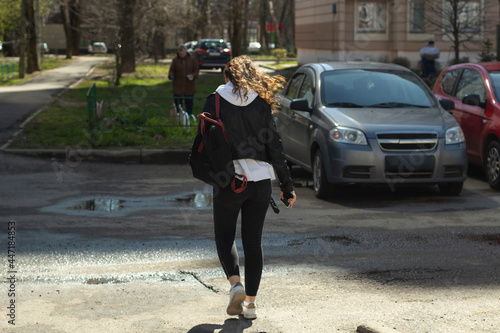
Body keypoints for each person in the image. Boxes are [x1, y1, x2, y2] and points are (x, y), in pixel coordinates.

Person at [200, 55, 297, 320]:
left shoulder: (215, 101)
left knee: (224, 236)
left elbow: (205, 141)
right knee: (253, 242)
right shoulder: (261, 102)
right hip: (260, 182)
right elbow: (275, 146)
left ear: (226, 76)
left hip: (228, 180)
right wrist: (287, 186)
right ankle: (251, 306)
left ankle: (235, 285)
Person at [168, 44, 199, 115]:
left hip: (189, 85)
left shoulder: (192, 60)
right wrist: (171, 75)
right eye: (180, 52)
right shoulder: (175, 60)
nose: (181, 53)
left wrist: (193, 75)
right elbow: (171, 70)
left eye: (183, 52)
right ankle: (179, 115)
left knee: (189, 102)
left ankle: (189, 115)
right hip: (178, 85)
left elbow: (196, 70)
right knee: (178, 102)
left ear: (186, 51)